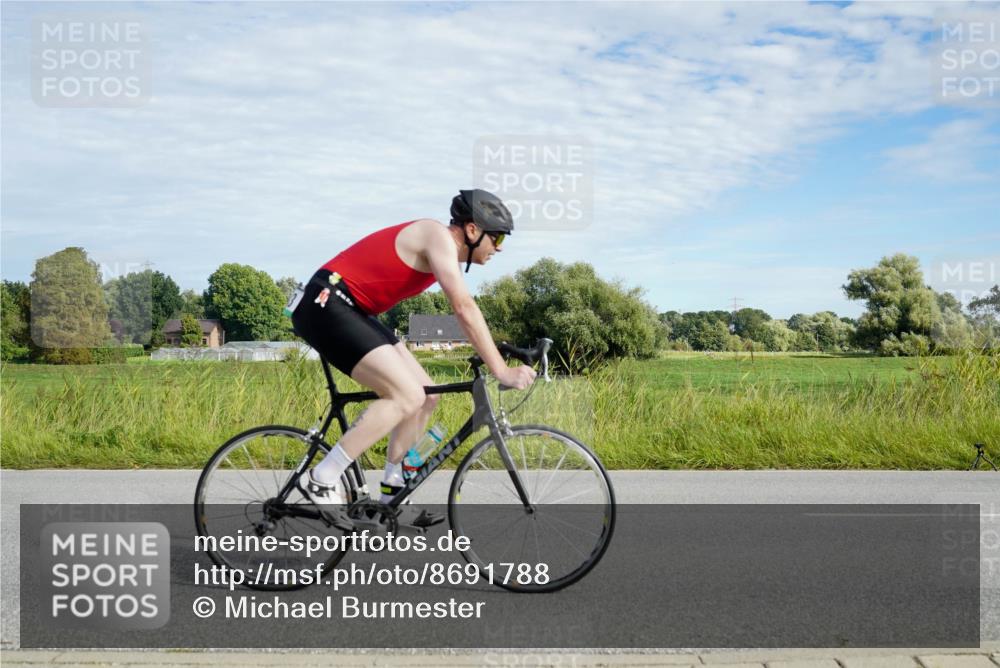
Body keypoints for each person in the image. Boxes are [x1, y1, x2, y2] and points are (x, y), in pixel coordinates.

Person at [288, 189, 536, 529]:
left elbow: (467, 311)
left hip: (354, 309)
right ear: (473, 230)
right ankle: (322, 477)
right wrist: (501, 370)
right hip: (327, 302)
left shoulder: (444, 252)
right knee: (407, 395)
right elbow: (463, 307)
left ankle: (392, 490)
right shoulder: (437, 237)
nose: (500, 247)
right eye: (498, 237)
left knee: (427, 395)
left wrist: (501, 348)